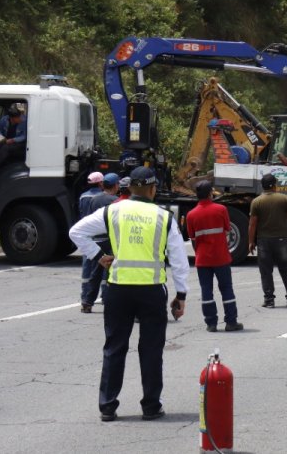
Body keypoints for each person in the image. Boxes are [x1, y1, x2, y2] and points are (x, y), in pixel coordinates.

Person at [68, 166, 188, 422]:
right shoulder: (163, 217)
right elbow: (179, 260)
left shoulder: (113, 211)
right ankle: (151, 406)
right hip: (151, 291)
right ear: (153, 189)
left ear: (130, 188)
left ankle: (108, 406)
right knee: (151, 350)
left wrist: (98, 256)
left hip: (118, 289)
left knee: (114, 348)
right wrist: (182, 295)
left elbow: (76, 232)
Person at [186, 181, 243, 332]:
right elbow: (227, 228)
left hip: (202, 259)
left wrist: (199, 252)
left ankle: (211, 323)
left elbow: (193, 239)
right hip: (221, 257)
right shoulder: (221, 209)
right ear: (211, 193)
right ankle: (231, 322)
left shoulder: (191, 215)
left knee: (206, 290)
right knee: (226, 288)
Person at [248, 173, 287, 308]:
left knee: (266, 271)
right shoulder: (284, 199)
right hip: (281, 240)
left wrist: (250, 241)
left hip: (263, 241)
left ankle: (269, 300)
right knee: (286, 270)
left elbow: (252, 224)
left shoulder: (257, 201)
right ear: (275, 185)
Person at [80, 173, 122, 313]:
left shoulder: (94, 200)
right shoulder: (116, 201)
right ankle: (109, 300)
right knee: (112, 273)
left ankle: (87, 302)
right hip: (109, 240)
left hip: (96, 240)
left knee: (95, 273)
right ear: (116, 185)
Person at [0, 105, 26, 174]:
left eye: (20, 116)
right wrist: (0, 136)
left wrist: (13, 140)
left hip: (19, 142)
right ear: (12, 118)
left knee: (6, 148)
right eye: (18, 118)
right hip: (6, 140)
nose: (20, 119)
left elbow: (24, 135)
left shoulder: (25, 121)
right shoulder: (4, 119)